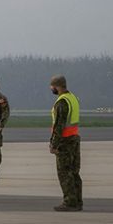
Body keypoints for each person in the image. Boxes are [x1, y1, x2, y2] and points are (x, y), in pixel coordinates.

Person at [48, 74, 81, 211]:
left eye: (52, 86)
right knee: (74, 172)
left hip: (64, 142)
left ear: (57, 86)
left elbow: (59, 125)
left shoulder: (61, 102)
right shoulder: (72, 98)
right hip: (74, 139)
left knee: (64, 172)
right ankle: (78, 201)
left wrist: (54, 144)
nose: (51, 89)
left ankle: (69, 202)